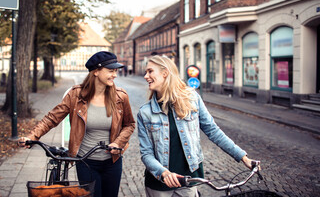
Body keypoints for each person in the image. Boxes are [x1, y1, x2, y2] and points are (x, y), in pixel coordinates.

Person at [137, 55, 258, 197]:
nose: (146, 76)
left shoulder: (192, 99)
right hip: (159, 184)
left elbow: (213, 131)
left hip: (189, 179)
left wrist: (243, 157)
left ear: (165, 73)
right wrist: (163, 173)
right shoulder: (145, 113)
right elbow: (146, 154)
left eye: (150, 71)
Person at [18, 51, 135, 197]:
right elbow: (52, 118)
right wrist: (32, 136)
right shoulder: (75, 95)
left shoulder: (120, 96)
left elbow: (129, 124)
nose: (115, 75)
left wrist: (118, 143)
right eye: (110, 71)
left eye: (116, 71)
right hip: (85, 162)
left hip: (113, 161)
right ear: (96, 72)